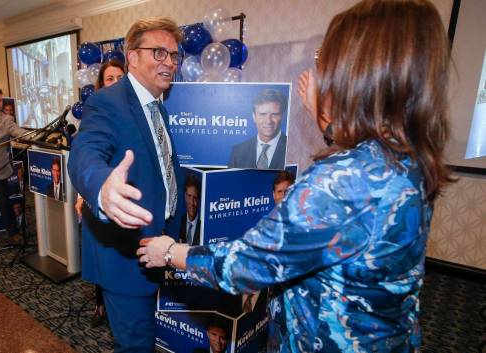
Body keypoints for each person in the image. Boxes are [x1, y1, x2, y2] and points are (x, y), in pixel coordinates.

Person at [137, 1, 454, 351]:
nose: (322, 70)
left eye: (326, 58)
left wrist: (170, 252)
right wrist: (329, 125)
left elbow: (246, 265)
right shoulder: (407, 153)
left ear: (358, 72)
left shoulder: (340, 181)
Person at [68, 17, 184, 352]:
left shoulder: (156, 106)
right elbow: (84, 153)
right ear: (132, 57)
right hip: (125, 257)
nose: (169, 63)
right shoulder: (107, 102)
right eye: (158, 53)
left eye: (174, 56)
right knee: (137, 346)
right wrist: (103, 188)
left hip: (156, 248)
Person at [74, 59, 125, 328]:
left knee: (120, 258)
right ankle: (100, 304)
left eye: (120, 77)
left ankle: (118, 306)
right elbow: (85, 157)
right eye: (109, 79)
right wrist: (85, 193)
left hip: (127, 197)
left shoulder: (135, 111)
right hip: (99, 197)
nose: (115, 83)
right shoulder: (94, 113)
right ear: (101, 84)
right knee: (99, 253)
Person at [0, 86, 27, 244]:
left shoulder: (6, 120)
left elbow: (19, 132)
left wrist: (40, 136)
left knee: (4, 202)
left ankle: (13, 233)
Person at [228, 89, 287, 169]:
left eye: (275, 114)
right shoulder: (238, 152)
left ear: (282, 116)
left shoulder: (291, 149)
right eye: (263, 114)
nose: (268, 121)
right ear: (254, 117)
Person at [179, 174, 201, 245]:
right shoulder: (178, 222)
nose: (192, 202)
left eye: (195, 198)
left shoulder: (203, 226)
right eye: (189, 196)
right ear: (185, 196)